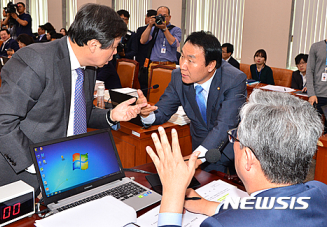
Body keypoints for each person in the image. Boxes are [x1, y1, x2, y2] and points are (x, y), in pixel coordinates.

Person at [0, 3, 146, 195]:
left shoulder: (88, 67)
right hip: (13, 176)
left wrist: (112, 115)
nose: (115, 53)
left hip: (62, 174)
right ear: (93, 45)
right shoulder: (36, 60)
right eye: (114, 47)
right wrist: (40, 166)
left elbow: (77, 113)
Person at [147, 89, 327, 227]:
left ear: (248, 158)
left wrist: (172, 193)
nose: (232, 139)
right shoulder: (320, 191)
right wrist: (210, 207)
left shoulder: (222, 225)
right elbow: (272, 207)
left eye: (235, 136)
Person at [137, 31, 247, 173]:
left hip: (230, 153)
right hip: (200, 148)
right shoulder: (178, 77)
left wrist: (193, 158)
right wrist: (147, 114)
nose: (182, 65)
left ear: (211, 65)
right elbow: (163, 110)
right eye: (182, 56)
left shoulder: (233, 79)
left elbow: (225, 124)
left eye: (190, 60)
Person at [140, 6, 182, 89]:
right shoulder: (154, 29)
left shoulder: (176, 29)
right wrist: (149, 26)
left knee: (169, 90)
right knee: (153, 91)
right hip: (154, 65)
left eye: (164, 16)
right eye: (160, 15)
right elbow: (142, 41)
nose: (162, 18)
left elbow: (173, 43)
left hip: (169, 66)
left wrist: (165, 29)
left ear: (169, 17)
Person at [306, 39, 327, 133]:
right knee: (313, 129)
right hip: (318, 95)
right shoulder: (316, 46)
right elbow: (310, 71)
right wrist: (311, 94)